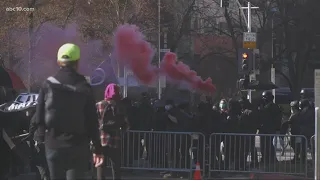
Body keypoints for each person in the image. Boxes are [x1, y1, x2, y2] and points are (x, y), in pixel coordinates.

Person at [35, 43, 104, 180]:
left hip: (53, 144)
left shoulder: (48, 84)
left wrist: (41, 138)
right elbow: (92, 120)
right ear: (77, 62)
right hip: (77, 146)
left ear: (59, 61)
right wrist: (97, 148)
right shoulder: (84, 86)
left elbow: (39, 117)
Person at [96, 83, 129, 180]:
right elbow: (126, 124)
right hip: (115, 139)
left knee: (100, 165)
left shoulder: (99, 105)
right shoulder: (120, 106)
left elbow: (93, 122)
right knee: (116, 166)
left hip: (101, 139)